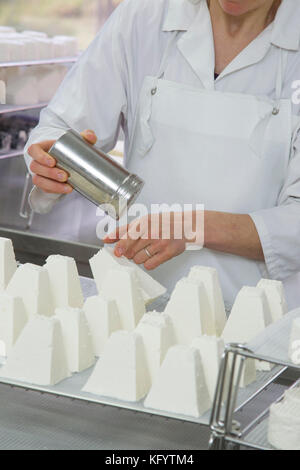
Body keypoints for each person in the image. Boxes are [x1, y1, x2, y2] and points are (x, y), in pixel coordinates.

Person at [25, 0, 300, 312]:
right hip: (135, 304)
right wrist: (50, 161)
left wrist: (193, 227)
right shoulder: (145, 16)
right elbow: (61, 127)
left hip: (258, 317)